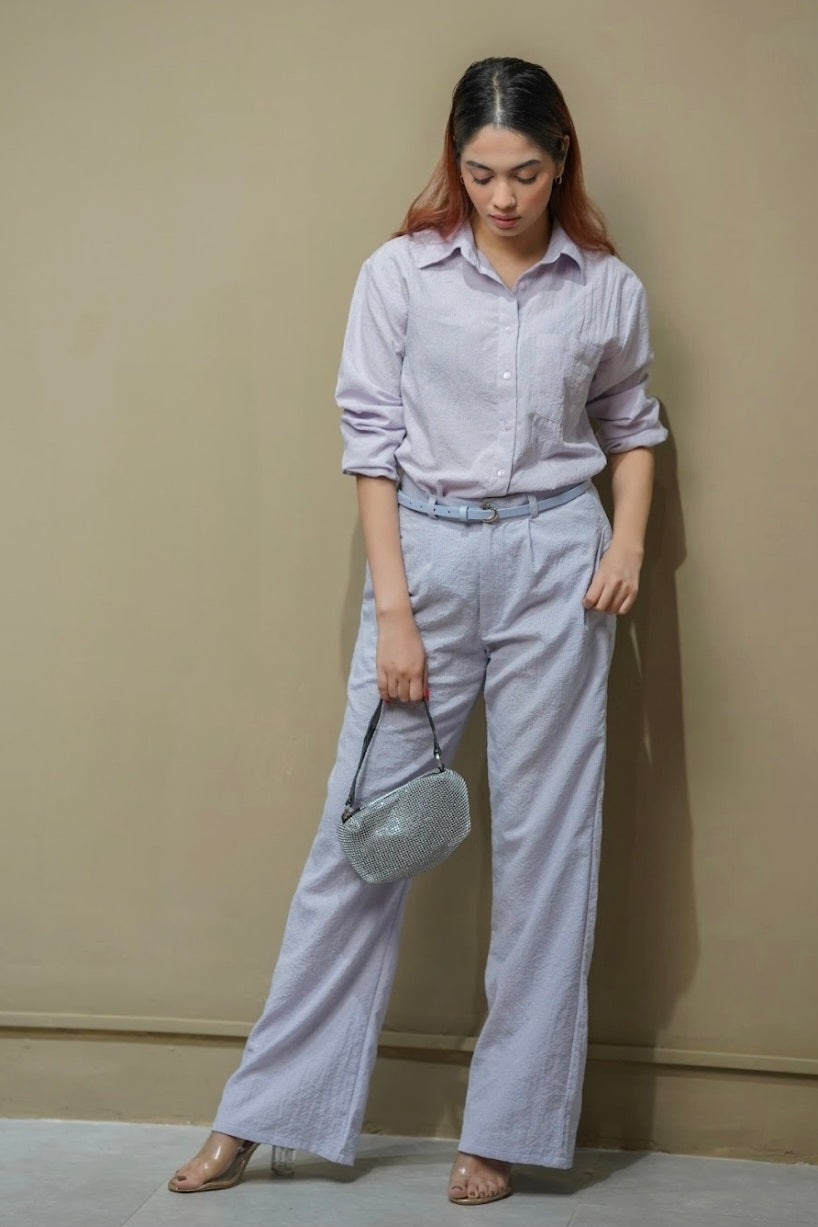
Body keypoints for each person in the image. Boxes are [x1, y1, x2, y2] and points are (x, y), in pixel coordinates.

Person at [168, 54, 668, 1207]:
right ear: (455, 162)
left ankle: (502, 1130)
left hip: (557, 562)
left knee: (547, 849)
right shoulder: (398, 275)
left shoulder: (603, 287)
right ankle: (260, 1114)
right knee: (361, 846)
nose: (502, 196)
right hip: (427, 562)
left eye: (524, 173)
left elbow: (631, 425)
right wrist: (393, 614)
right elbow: (371, 447)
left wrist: (627, 548)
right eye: (481, 173)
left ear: (559, 162)